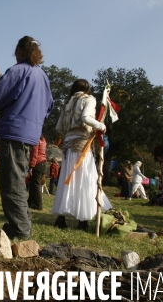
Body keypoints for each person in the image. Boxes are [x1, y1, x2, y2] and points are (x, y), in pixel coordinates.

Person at [0, 36, 54, 240]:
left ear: (20, 51)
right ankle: (21, 225)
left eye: (16, 52)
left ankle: (19, 230)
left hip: (14, 132)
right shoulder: (42, 76)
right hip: (30, 135)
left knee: (11, 183)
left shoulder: (17, 71)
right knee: (18, 181)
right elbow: (49, 106)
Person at [51, 79, 112, 230]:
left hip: (68, 143)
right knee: (85, 178)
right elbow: (85, 117)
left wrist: (69, 133)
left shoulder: (67, 102)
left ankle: (61, 217)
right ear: (88, 89)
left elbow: (59, 126)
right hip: (81, 143)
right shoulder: (89, 99)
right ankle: (82, 220)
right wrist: (100, 126)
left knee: (67, 178)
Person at [27, 133, 47, 211]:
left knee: (35, 185)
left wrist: (31, 166)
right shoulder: (43, 140)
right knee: (33, 183)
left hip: (38, 163)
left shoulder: (36, 141)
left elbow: (34, 154)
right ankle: (30, 202)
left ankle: (38, 205)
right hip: (43, 162)